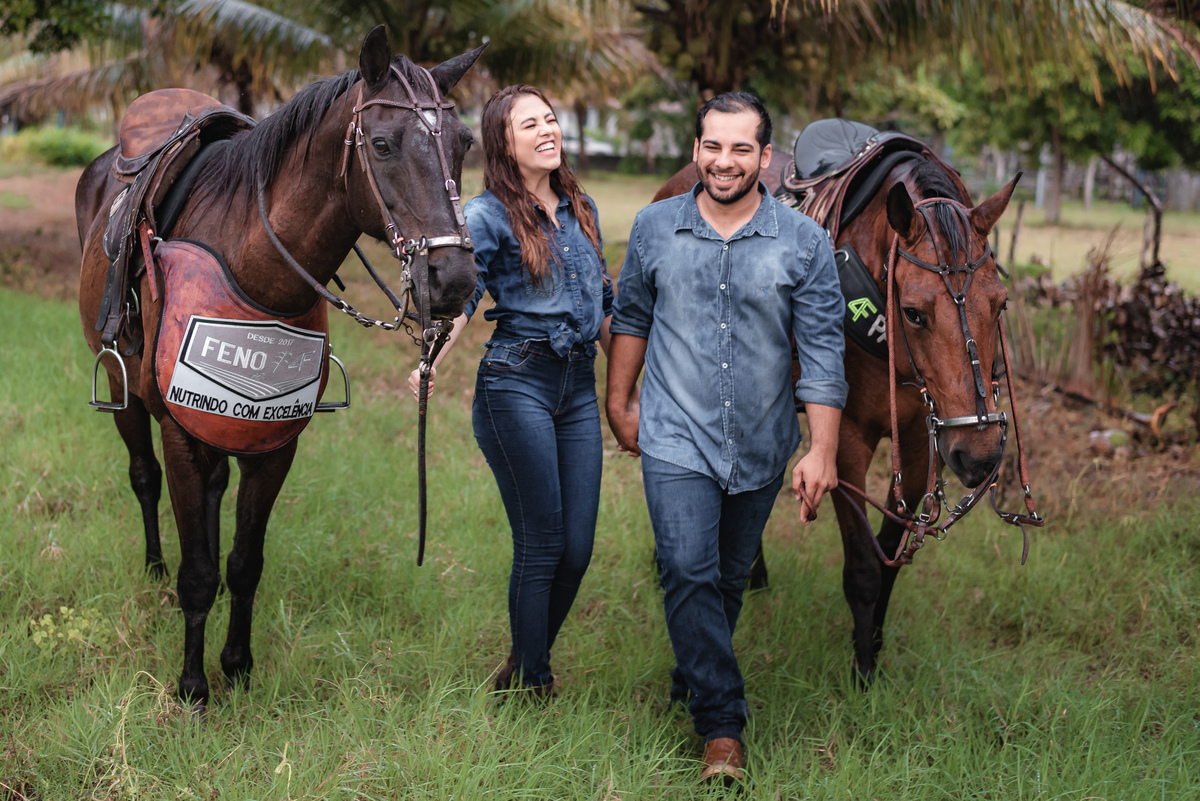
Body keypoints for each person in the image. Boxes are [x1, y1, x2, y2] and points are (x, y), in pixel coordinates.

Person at [605, 92, 847, 784]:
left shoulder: (802, 242)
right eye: (713, 145)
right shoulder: (655, 227)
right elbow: (632, 317)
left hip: (762, 441)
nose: (725, 160)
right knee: (685, 566)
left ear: (764, 158)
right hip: (675, 434)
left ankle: (694, 669)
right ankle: (722, 725)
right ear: (696, 148)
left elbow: (824, 351)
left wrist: (821, 448)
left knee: (725, 579)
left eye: (741, 148)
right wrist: (619, 402)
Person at [408, 85, 612, 699]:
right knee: (542, 541)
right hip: (516, 381)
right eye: (532, 124)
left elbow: (603, 302)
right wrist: (431, 361)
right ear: (504, 140)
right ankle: (534, 684)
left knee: (576, 550)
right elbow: (464, 296)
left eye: (552, 119)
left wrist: (637, 381)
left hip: (578, 387)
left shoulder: (582, 206)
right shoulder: (486, 215)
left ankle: (523, 664)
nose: (548, 130)